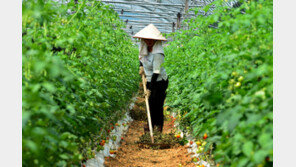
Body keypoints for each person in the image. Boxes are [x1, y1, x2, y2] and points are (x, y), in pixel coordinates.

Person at [133, 24, 169, 133]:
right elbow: (141, 58)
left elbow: (156, 72)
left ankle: (158, 129)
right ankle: (150, 126)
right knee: (149, 104)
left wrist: (150, 88)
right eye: (146, 39)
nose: (149, 41)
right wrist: (141, 66)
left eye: (151, 39)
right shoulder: (144, 48)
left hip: (159, 82)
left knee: (157, 105)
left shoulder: (158, 53)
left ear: (155, 40)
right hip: (150, 80)